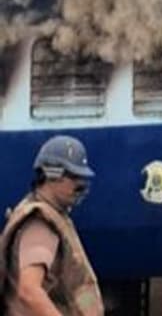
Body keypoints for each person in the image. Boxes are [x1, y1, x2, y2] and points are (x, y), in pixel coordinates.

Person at [0, 135, 103, 316]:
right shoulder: (40, 224)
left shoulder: (53, 216)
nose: (82, 186)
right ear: (51, 174)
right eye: (74, 177)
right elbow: (28, 291)